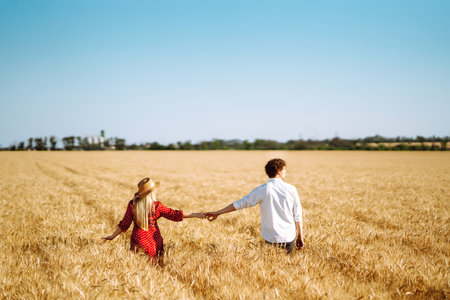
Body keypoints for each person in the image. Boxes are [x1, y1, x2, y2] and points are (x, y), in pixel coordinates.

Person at [206, 158, 304, 253]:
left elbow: (240, 204)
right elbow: (297, 214)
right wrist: (300, 236)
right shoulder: (291, 189)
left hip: (270, 237)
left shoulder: (262, 189)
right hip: (288, 236)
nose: (285, 172)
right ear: (278, 171)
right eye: (284, 170)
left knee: (269, 266)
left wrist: (218, 213)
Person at [102, 177, 205, 265]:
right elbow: (174, 214)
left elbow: (125, 224)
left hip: (138, 241)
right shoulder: (156, 206)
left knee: (138, 270)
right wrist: (197, 215)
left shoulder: (132, 205)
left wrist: (112, 236)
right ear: (152, 192)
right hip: (154, 243)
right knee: (157, 269)